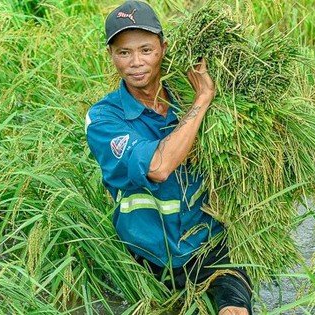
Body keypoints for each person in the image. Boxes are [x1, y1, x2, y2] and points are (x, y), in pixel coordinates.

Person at [85, 1, 252, 314]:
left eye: (146, 50)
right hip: (146, 259)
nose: (136, 62)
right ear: (111, 56)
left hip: (210, 250)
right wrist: (203, 100)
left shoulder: (184, 98)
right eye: (124, 52)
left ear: (163, 48)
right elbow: (158, 168)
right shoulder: (105, 118)